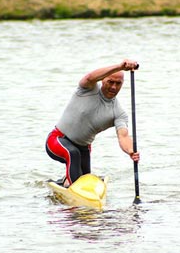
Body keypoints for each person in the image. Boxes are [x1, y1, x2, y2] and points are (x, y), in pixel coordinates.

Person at [46, 59, 140, 187]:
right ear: (102, 80)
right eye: (110, 82)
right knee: (73, 154)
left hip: (84, 148)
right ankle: (74, 190)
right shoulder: (87, 88)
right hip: (57, 140)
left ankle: (65, 184)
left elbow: (123, 136)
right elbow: (90, 77)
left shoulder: (118, 112)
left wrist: (131, 151)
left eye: (118, 83)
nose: (113, 87)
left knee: (83, 175)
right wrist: (120, 66)